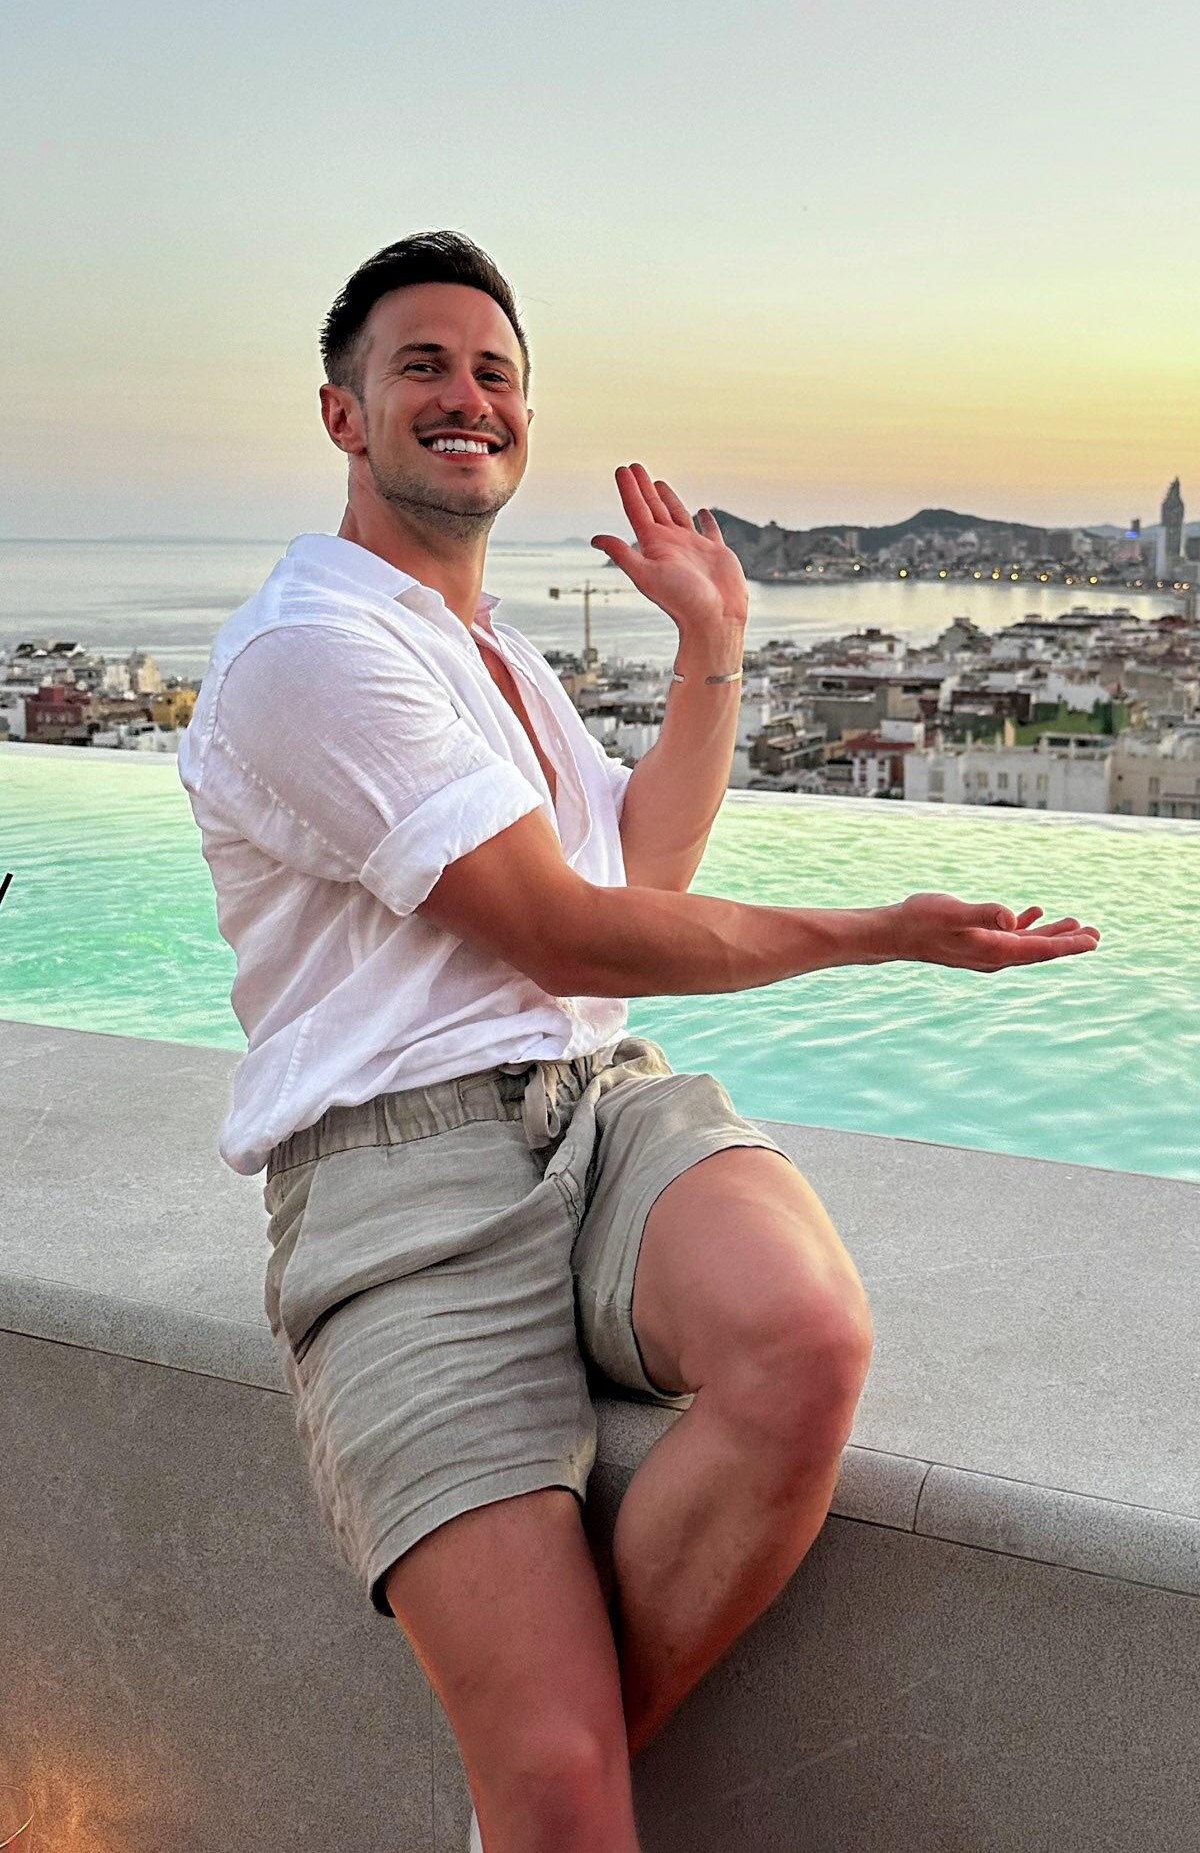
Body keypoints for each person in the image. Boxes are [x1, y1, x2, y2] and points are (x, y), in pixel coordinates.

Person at [180, 230, 1101, 1853]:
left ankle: (547, 1799)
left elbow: (640, 870)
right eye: (424, 366)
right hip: (397, 1189)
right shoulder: (310, 648)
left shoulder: (500, 661)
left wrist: (708, 649)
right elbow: (561, 928)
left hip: (599, 1116)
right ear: (341, 415)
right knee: (557, 1799)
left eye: (494, 374)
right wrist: (872, 931)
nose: (468, 397)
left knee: (801, 1337)